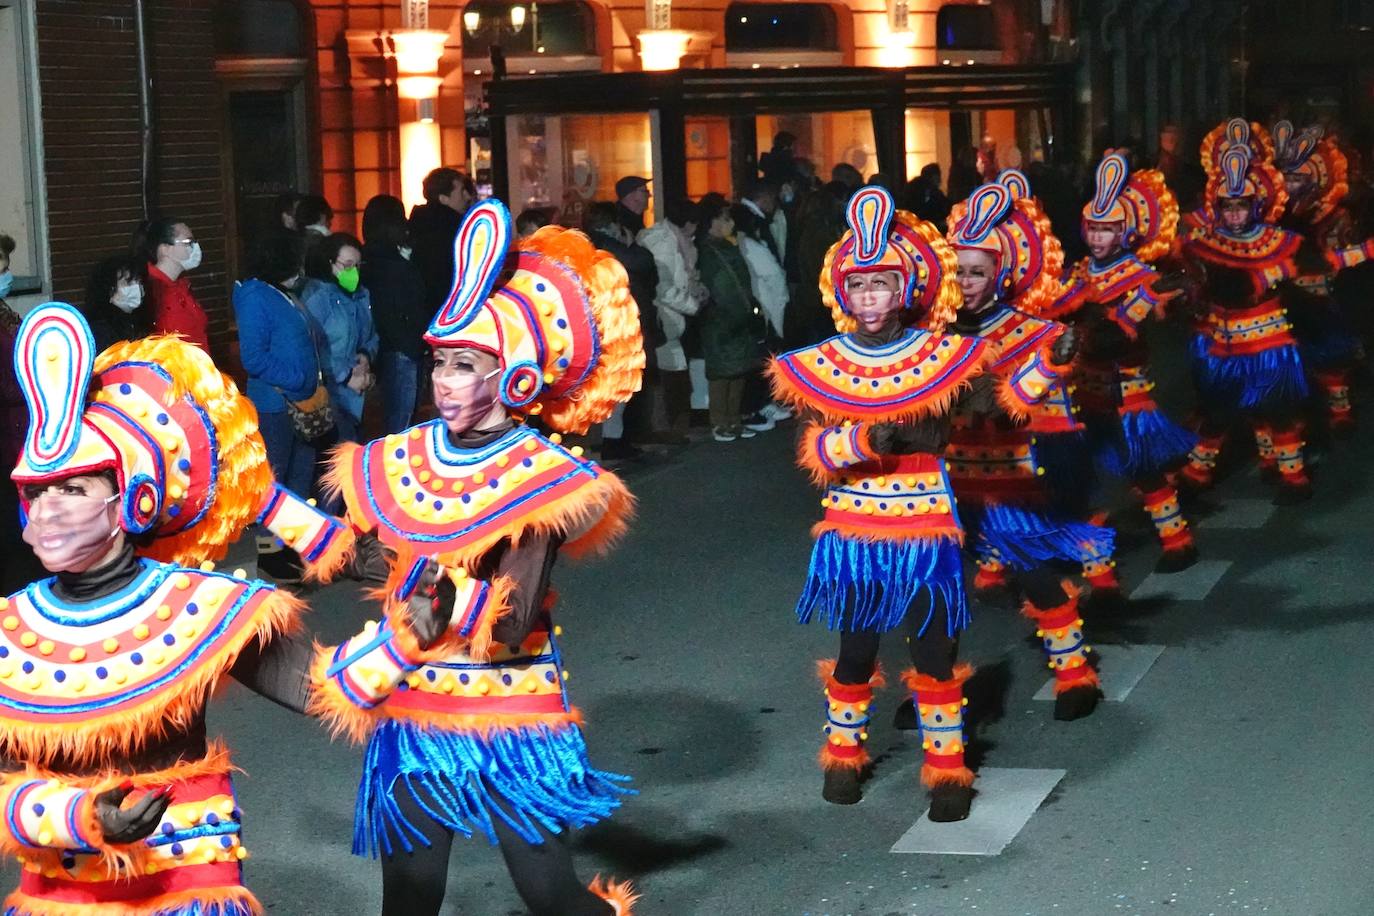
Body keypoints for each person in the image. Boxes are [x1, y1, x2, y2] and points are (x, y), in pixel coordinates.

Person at [313, 199, 643, 916]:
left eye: (465, 365)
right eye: (439, 362)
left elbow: (513, 615)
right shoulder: (404, 457)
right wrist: (292, 523)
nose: (444, 380)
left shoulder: (542, 473)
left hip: (510, 702)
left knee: (549, 893)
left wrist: (440, 602)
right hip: (416, 696)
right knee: (409, 895)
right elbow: (375, 561)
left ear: (512, 377)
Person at [0, 302, 378, 916]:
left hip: (182, 893)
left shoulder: (199, 608)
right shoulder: (10, 632)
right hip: (59, 900)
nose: (49, 511)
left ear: (131, 501)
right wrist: (77, 816)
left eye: (73, 489)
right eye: (36, 493)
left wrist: (413, 635)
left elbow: (325, 689)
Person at [766, 186, 995, 821]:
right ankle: (843, 758)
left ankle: (948, 771)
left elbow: (975, 414)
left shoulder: (946, 357)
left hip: (924, 526)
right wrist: (864, 437)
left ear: (903, 291)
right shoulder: (821, 365)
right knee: (856, 650)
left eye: (881, 286)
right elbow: (812, 449)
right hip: (856, 530)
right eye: (859, 288)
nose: (870, 299)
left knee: (929, 649)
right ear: (844, 296)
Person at [944, 174, 1106, 720]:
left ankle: (1075, 672)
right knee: (933, 587)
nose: (966, 282)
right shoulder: (931, 333)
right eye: (959, 271)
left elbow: (1035, 403)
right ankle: (936, 687)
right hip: (941, 483)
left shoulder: (1034, 331)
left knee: (1035, 574)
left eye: (977, 272)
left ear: (1001, 274)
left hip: (1008, 479)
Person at [1051, 152, 1199, 576]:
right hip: (1082, 392)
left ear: (1125, 230)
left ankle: (1178, 539)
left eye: (1107, 229)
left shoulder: (1139, 274)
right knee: (1080, 479)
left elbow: (1128, 330)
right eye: (1093, 228)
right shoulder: (1078, 272)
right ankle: (1092, 563)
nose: (1098, 237)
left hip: (1126, 390)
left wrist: (1127, 313)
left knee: (1144, 470)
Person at [1179, 119, 1320, 503]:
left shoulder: (1279, 239)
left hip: (1268, 341)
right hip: (1221, 343)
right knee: (1215, 412)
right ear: (1217, 206)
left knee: (1278, 410)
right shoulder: (1202, 240)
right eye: (1228, 206)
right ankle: (1197, 474)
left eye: (1242, 206)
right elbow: (1191, 277)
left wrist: (1272, 274)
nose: (1236, 215)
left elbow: (1316, 261)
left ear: (1256, 205)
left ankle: (1293, 476)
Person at [233, 232, 332, 580]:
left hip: (299, 399)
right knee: (276, 478)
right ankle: (270, 553)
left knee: (298, 475)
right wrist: (297, 378)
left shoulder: (280, 293)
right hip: (276, 403)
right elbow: (254, 357)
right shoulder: (256, 296)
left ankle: (291, 546)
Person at [1272, 121, 1374, 436]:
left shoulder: (1335, 212)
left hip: (1323, 290)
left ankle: (1339, 408)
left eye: (1298, 177)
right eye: (1287, 177)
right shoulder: (1275, 212)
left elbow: (1340, 251)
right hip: (1286, 293)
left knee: (1331, 352)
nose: (1291, 185)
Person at [585, 201, 659, 459]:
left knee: (616, 386)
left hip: (607, 322)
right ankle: (613, 442)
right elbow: (643, 262)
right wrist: (630, 243)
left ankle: (613, 440)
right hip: (616, 324)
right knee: (619, 386)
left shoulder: (588, 244)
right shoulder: (609, 246)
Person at [696, 194, 765, 442]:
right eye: (725, 218)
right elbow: (722, 286)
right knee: (723, 373)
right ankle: (721, 421)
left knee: (738, 370)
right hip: (722, 318)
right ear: (713, 221)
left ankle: (733, 420)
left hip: (735, 316)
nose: (730, 223)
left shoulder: (724, 246)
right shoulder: (709, 250)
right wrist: (738, 312)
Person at [638, 197, 707, 439]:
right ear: (687, 222)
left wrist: (698, 292)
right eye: (694, 223)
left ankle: (675, 424)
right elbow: (662, 286)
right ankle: (667, 426)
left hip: (676, 316)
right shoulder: (663, 242)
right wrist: (691, 304)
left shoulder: (680, 240)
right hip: (664, 315)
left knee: (676, 370)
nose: (697, 228)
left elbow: (686, 275)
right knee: (671, 372)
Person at [361, 194, 430, 435]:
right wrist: (414, 344)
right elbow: (403, 307)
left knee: (395, 418)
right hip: (403, 349)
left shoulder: (369, 260)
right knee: (402, 420)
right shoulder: (393, 264)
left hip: (389, 348)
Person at [302, 232, 379, 444]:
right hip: (329, 395)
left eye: (357, 265)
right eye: (346, 265)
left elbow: (372, 335)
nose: (353, 271)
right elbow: (312, 347)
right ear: (330, 264)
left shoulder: (362, 295)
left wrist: (365, 355)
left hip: (357, 394)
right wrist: (346, 376)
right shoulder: (318, 298)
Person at [732, 200, 792, 431]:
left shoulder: (742, 244)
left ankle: (763, 403)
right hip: (764, 306)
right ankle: (755, 407)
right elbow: (774, 276)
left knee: (763, 358)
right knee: (761, 360)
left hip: (760, 306)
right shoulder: (748, 244)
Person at [136, 217, 210, 351]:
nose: (195, 248)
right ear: (165, 249)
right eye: (188, 242)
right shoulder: (149, 288)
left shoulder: (182, 286)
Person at [410, 167, 476, 311]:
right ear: (443, 198)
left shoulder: (418, 226)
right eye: (461, 191)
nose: (467, 196)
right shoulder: (453, 230)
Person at [81, 252, 150, 351]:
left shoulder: (137, 322)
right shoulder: (100, 331)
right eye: (128, 283)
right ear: (109, 289)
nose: (137, 287)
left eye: (138, 281)